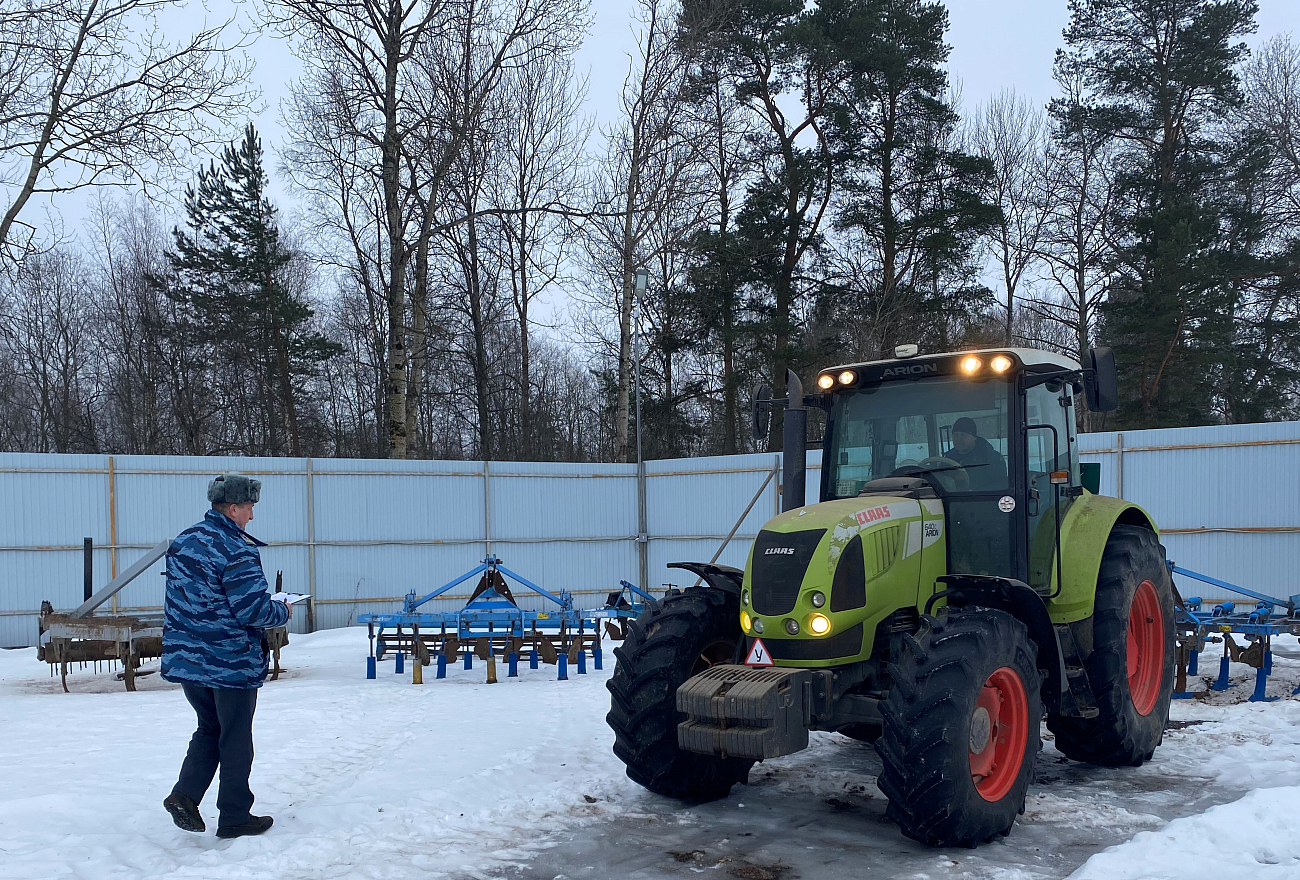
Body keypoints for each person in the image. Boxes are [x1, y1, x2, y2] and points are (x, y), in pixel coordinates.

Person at [160, 473, 291, 839]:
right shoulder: (237, 548)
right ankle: (234, 816)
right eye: (249, 508)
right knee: (234, 736)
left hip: (189, 660)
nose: (252, 516)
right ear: (233, 508)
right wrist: (281, 611)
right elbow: (252, 610)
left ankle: (184, 796)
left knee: (209, 728)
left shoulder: (184, 542)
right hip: (230, 662)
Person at [946, 417, 1008, 491]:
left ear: (974, 437)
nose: (959, 438)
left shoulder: (992, 458)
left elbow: (1000, 485)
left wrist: (973, 489)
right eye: (956, 435)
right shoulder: (947, 460)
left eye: (963, 434)